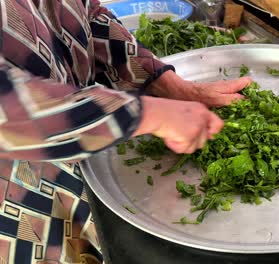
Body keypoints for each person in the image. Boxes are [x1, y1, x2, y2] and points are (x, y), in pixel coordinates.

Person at [0, 0, 250, 263]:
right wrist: (149, 114)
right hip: (23, 202)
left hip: (85, 167)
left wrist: (165, 84)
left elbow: (87, 17)